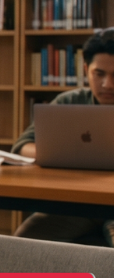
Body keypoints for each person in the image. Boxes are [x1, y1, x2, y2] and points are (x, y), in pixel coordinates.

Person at [12, 28, 114, 247]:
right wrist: (56, 153)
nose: (108, 84)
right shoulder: (69, 102)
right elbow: (22, 146)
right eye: (100, 74)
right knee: (23, 242)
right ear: (86, 70)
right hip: (78, 204)